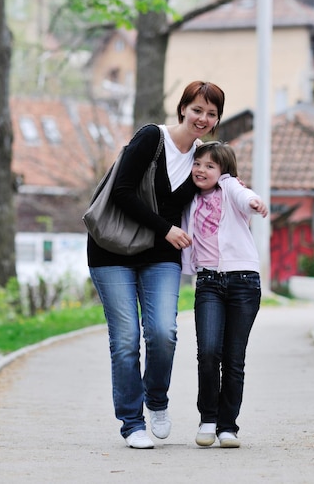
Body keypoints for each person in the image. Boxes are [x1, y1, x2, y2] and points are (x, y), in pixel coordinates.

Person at [87, 81, 225, 449]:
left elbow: (223, 187)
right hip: (111, 250)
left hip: (161, 255)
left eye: (211, 113)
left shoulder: (203, 158)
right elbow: (121, 192)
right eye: (197, 109)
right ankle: (132, 423)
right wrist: (166, 229)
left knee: (163, 332)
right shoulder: (152, 138)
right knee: (126, 339)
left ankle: (157, 400)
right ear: (183, 109)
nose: (203, 118)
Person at [181, 141, 268, 449]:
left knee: (233, 358)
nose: (201, 170)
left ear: (223, 171)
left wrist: (254, 201)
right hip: (208, 283)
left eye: (210, 166)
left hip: (243, 281)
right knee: (207, 352)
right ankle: (208, 418)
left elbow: (244, 197)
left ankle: (227, 427)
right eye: (198, 164)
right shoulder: (189, 198)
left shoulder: (230, 189)